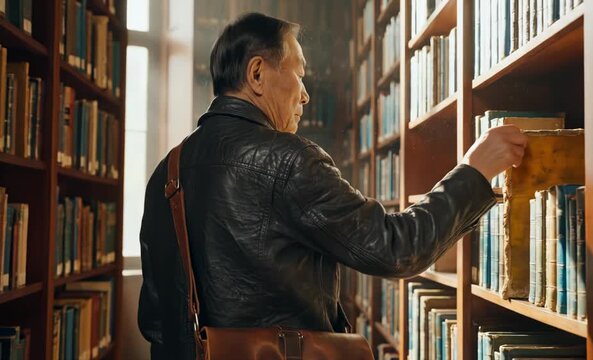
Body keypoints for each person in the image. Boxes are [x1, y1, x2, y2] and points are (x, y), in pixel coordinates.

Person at [137, 12, 527, 359]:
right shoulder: (288, 159)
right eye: (299, 74)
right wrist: (474, 171)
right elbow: (395, 248)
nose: (305, 94)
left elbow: (155, 320)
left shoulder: (165, 173)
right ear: (257, 73)